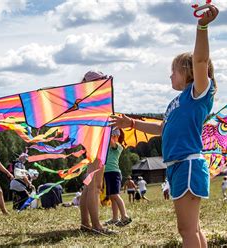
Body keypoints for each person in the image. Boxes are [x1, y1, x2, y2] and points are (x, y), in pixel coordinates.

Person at [111, 5, 218, 247]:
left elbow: (201, 59)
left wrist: (202, 27)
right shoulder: (178, 101)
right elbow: (162, 129)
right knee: (193, 228)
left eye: (173, 71)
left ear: (188, 72)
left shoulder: (198, 93)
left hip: (188, 163)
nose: (170, 76)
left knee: (187, 229)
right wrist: (132, 123)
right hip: (179, 165)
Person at [79, 71, 116, 235]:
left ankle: (86, 223)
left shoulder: (85, 102)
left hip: (91, 143)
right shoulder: (91, 102)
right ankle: (96, 226)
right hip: (95, 143)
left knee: (89, 185)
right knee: (95, 186)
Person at [103, 128, 132, 227]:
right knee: (112, 196)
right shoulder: (109, 148)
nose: (113, 137)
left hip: (114, 173)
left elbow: (110, 141)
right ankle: (115, 218)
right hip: (107, 173)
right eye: (112, 135)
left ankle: (124, 216)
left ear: (117, 137)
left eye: (114, 136)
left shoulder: (118, 146)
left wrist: (106, 130)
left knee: (115, 195)